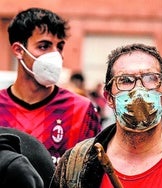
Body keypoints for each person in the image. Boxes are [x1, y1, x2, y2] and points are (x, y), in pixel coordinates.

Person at [52, 43, 162, 187]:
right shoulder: (75, 165)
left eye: (150, 79)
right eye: (125, 81)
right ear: (109, 98)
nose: (138, 90)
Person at [0, 7, 101, 165]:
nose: (55, 55)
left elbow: (93, 175)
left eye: (59, 47)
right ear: (19, 50)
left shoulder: (81, 110)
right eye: (43, 46)